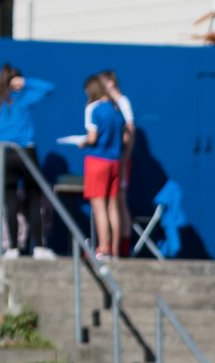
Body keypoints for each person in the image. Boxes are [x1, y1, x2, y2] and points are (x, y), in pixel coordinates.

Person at [0, 63, 55, 259]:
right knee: (33, 198)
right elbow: (48, 88)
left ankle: (13, 247)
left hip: (4, 154)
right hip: (24, 152)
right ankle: (37, 246)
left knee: (10, 200)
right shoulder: (20, 100)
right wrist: (27, 82)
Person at [79, 74, 125, 261]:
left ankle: (103, 248)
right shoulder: (116, 109)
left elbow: (92, 138)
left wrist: (83, 142)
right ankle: (114, 249)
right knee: (113, 206)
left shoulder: (93, 108)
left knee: (99, 207)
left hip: (97, 161)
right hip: (115, 162)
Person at [99, 70, 135, 257]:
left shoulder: (122, 102)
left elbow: (130, 131)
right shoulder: (105, 105)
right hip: (113, 160)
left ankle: (122, 247)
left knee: (119, 201)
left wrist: (124, 159)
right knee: (109, 203)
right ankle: (110, 246)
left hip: (119, 161)